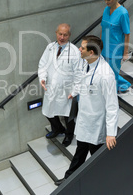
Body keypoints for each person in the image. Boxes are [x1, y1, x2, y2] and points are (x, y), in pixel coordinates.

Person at [55, 35, 119, 186]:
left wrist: (111, 133)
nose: (79, 49)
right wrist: (74, 92)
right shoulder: (86, 63)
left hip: (96, 123)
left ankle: (101, 185)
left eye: (82, 48)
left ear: (91, 52)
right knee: (80, 149)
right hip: (85, 118)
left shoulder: (105, 75)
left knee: (97, 157)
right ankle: (69, 178)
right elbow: (81, 80)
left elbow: (112, 106)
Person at [38, 23, 81, 147]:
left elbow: (79, 73)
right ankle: (57, 129)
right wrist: (42, 78)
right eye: (60, 34)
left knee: (68, 116)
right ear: (56, 33)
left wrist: (75, 91)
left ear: (69, 35)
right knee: (48, 111)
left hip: (67, 89)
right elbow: (43, 64)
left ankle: (69, 135)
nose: (62, 37)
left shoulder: (74, 51)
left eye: (65, 35)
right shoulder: (50, 47)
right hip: (51, 87)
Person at [101, 0, 131, 93]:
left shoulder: (123, 13)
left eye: (108, 0)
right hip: (104, 48)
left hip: (116, 49)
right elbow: (103, 29)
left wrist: (125, 52)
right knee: (105, 72)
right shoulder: (106, 10)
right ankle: (121, 85)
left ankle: (114, 90)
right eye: (105, 0)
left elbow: (127, 33)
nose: (106, 2)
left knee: (111, 73)